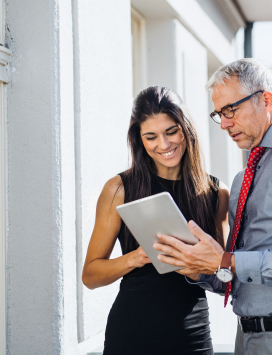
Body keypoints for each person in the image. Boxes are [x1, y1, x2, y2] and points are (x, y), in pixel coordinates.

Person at [154, 59, 272, 354]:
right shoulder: (243, 177)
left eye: (231, 110)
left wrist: (227, 261)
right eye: (219, 114)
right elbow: (236, 275)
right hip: (248, 339)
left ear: (266, 100)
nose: (225, 123)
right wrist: (200, 268)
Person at [82, 86, 229, 355]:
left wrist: (198, 269)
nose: (163, 145)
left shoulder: (216, 194)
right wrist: (135, 258)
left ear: (186, 129)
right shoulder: (118, 189)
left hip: (193, 337)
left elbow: (226, 279)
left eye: (171, 132)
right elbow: (90, 275)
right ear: (139, 140)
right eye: (151, 137)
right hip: (131, 334)